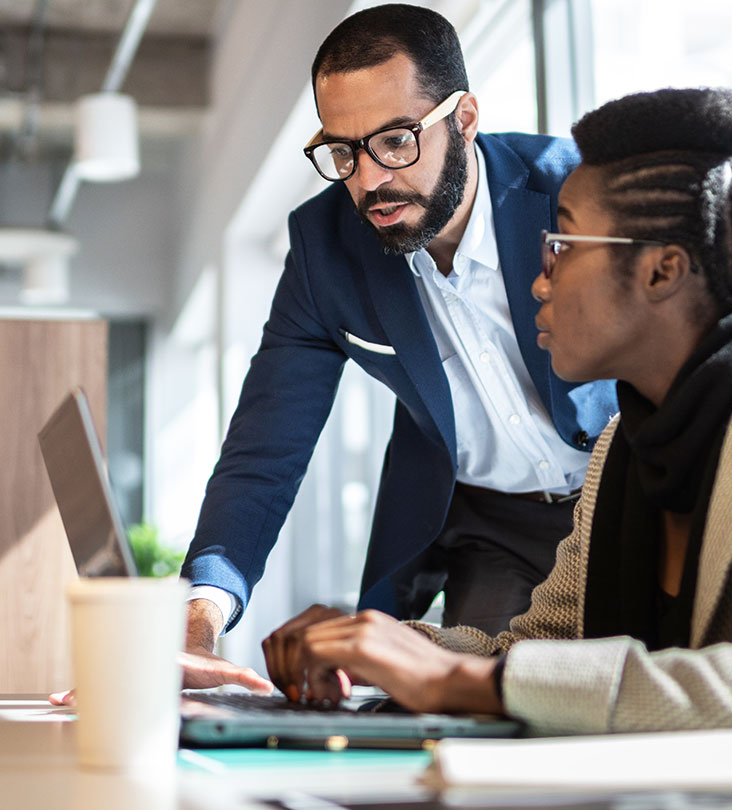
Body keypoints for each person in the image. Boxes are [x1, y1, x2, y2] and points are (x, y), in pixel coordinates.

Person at [260, 87, 732, 780]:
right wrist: (383, 645)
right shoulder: (625, 447)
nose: (537, 280)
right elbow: (538, 651)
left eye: (560, 243)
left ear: (661, 269)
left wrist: (458, 681)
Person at [176, 2, 617, 692]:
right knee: (469, 724)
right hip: (488, 528)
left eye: (396, 140)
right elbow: (264, 453)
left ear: (463, 119)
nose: (370, 179)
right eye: (344, 150)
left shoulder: (572, 189)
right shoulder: (325, 250)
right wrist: (198, 623)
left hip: (620, 493)